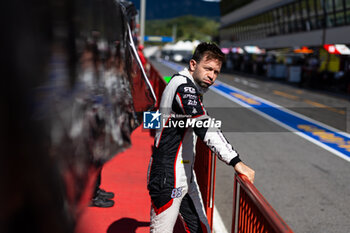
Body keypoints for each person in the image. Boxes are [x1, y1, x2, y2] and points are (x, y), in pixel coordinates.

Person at [147, 42, 255, 233]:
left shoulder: (183, 83)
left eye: (216, 72)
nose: (211, 76)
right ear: (193, 65)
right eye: (208, 69)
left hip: (183, 172)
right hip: (168, 174)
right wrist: (236, 162)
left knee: (201, 229)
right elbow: (204, 126)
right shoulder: (184, 86)